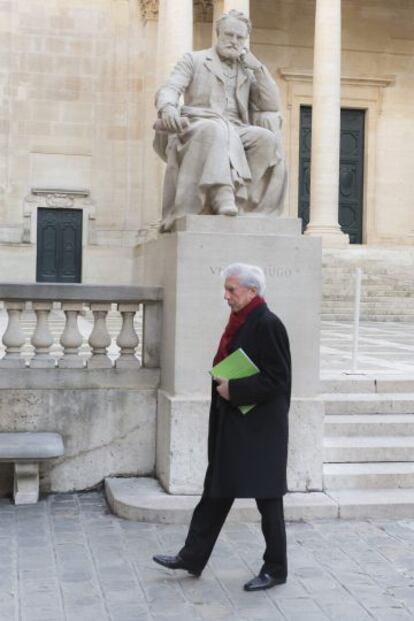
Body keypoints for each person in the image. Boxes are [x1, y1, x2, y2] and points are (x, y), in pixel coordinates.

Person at [153, 263, 291, 591]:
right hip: (234, 426)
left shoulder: (268, 324)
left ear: (253, 291)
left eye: (232, 290)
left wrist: (235, 390)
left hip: (259, 432)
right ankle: (192, 556)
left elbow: (277, 379)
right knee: (215, 492)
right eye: (226, 289)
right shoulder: (241, 321)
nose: (225, 296)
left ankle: (276, 568)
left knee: (268, 500)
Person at [154, 10, 287, 231]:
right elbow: (170, 88)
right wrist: (168, 107)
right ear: (218, 34)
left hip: (237, 128)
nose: (234, 42)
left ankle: (240, 198)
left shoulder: (248, 71)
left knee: (266, 139)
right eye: (229, 35)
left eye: (239, 38)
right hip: (199, 123)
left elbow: (271, 104)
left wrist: (258, 69)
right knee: (214, 129)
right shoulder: (194, 59)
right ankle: (221, 194)